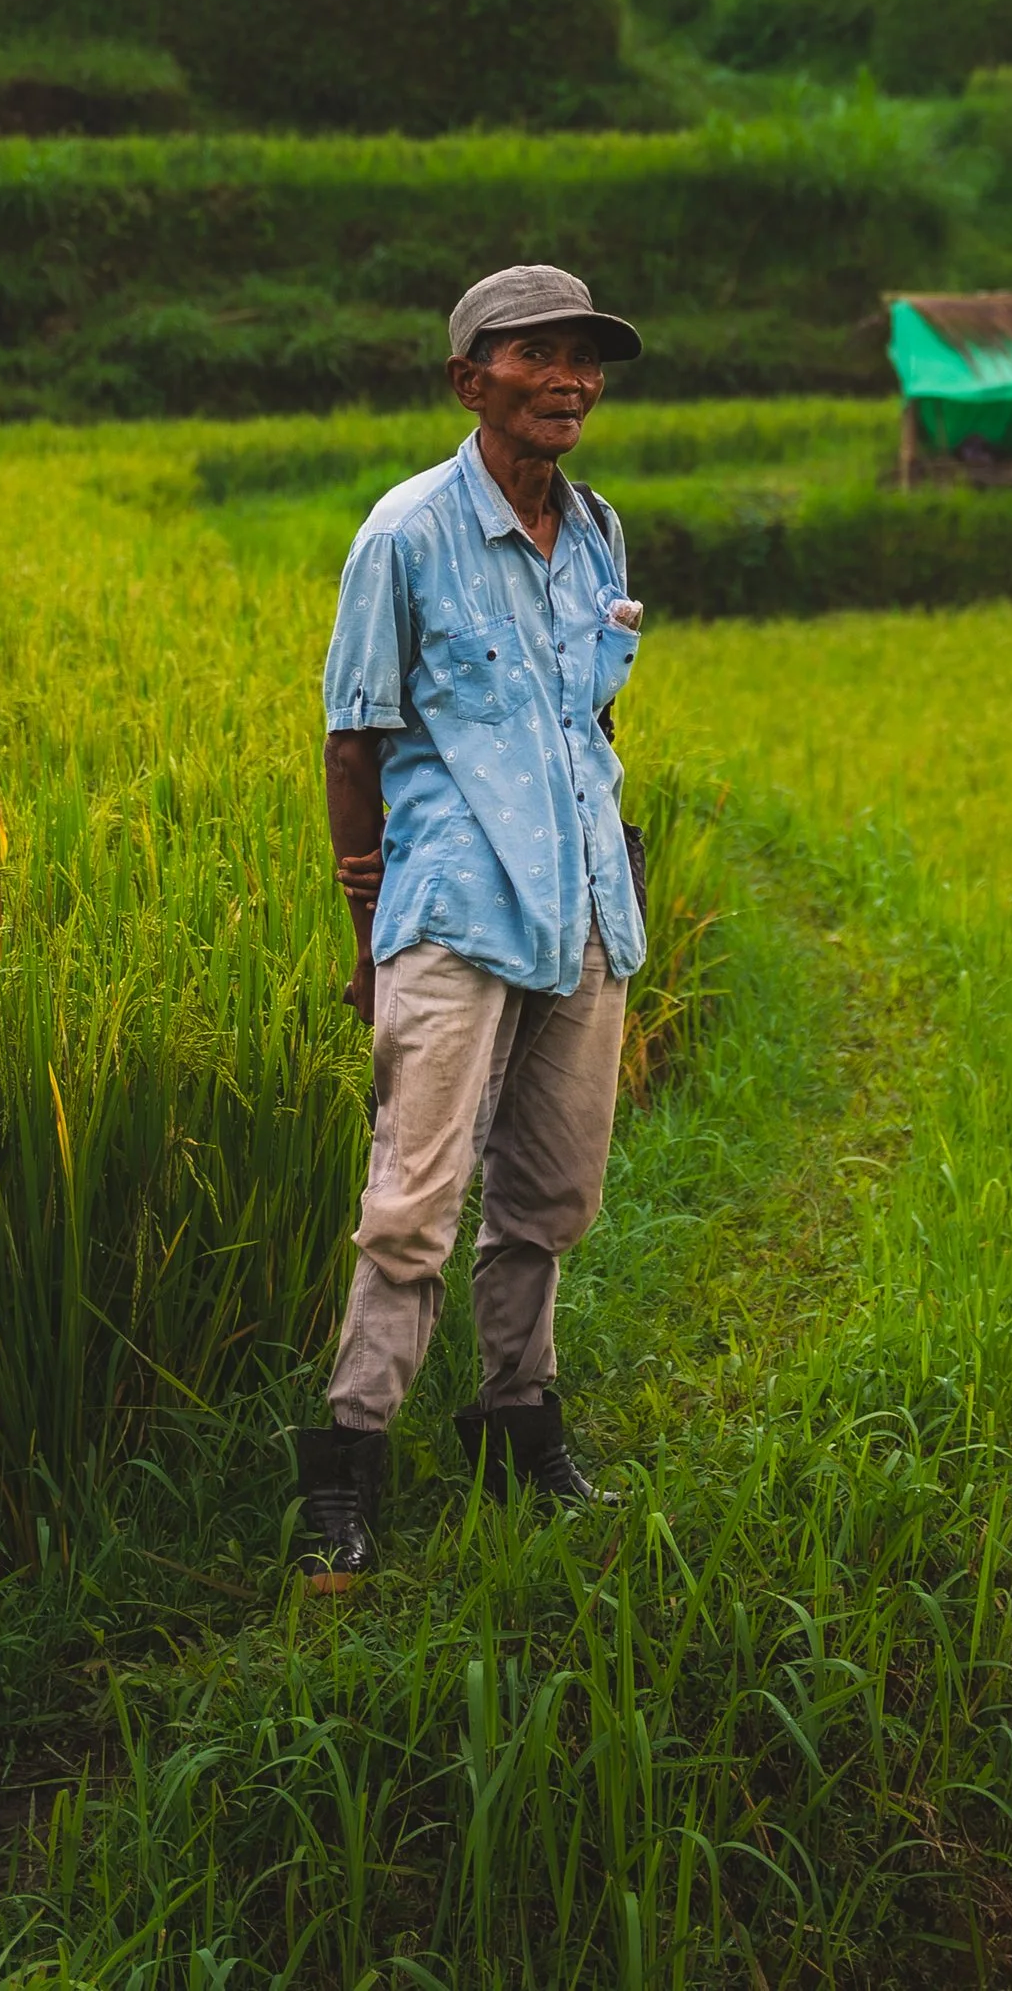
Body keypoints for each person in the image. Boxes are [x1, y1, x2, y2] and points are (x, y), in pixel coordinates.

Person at [294, 262, 649, 1580]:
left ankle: (519, 1419)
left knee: (550, 1192)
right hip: (451, 905)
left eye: (585, 356)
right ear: (468, 379)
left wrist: (615, 866)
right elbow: (352, 740)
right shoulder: (407, 532)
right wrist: (367, 939)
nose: (570, 378)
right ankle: (347, 1458)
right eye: (536, 353)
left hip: (584, 906)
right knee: (415, 1198)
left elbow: (592, 717)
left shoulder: (601, 528)